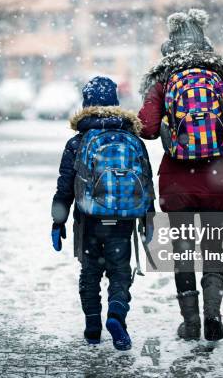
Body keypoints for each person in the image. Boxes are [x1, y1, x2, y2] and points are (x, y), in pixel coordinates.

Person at [137, 9, 223, 342]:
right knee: (213, 249)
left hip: (178, 181)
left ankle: (190, 324)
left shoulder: (164, 79)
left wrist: (163, 125)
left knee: (184, 252)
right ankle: (213, 315)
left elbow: (145, 127)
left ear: (169, 46)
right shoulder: (221, 79)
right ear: (206, 44)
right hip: (219, 177)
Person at [51, 76, 155, 351]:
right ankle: (117, 315)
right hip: (122, 221)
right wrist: (148, 217)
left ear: (86, 104)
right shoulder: (132, 138)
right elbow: (145, 180)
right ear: (115, 103)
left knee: (91, 273)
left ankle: (93, 327)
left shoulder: (78, 141)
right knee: (120, 272)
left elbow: (65, 186)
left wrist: (57, 221)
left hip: (89, 221)